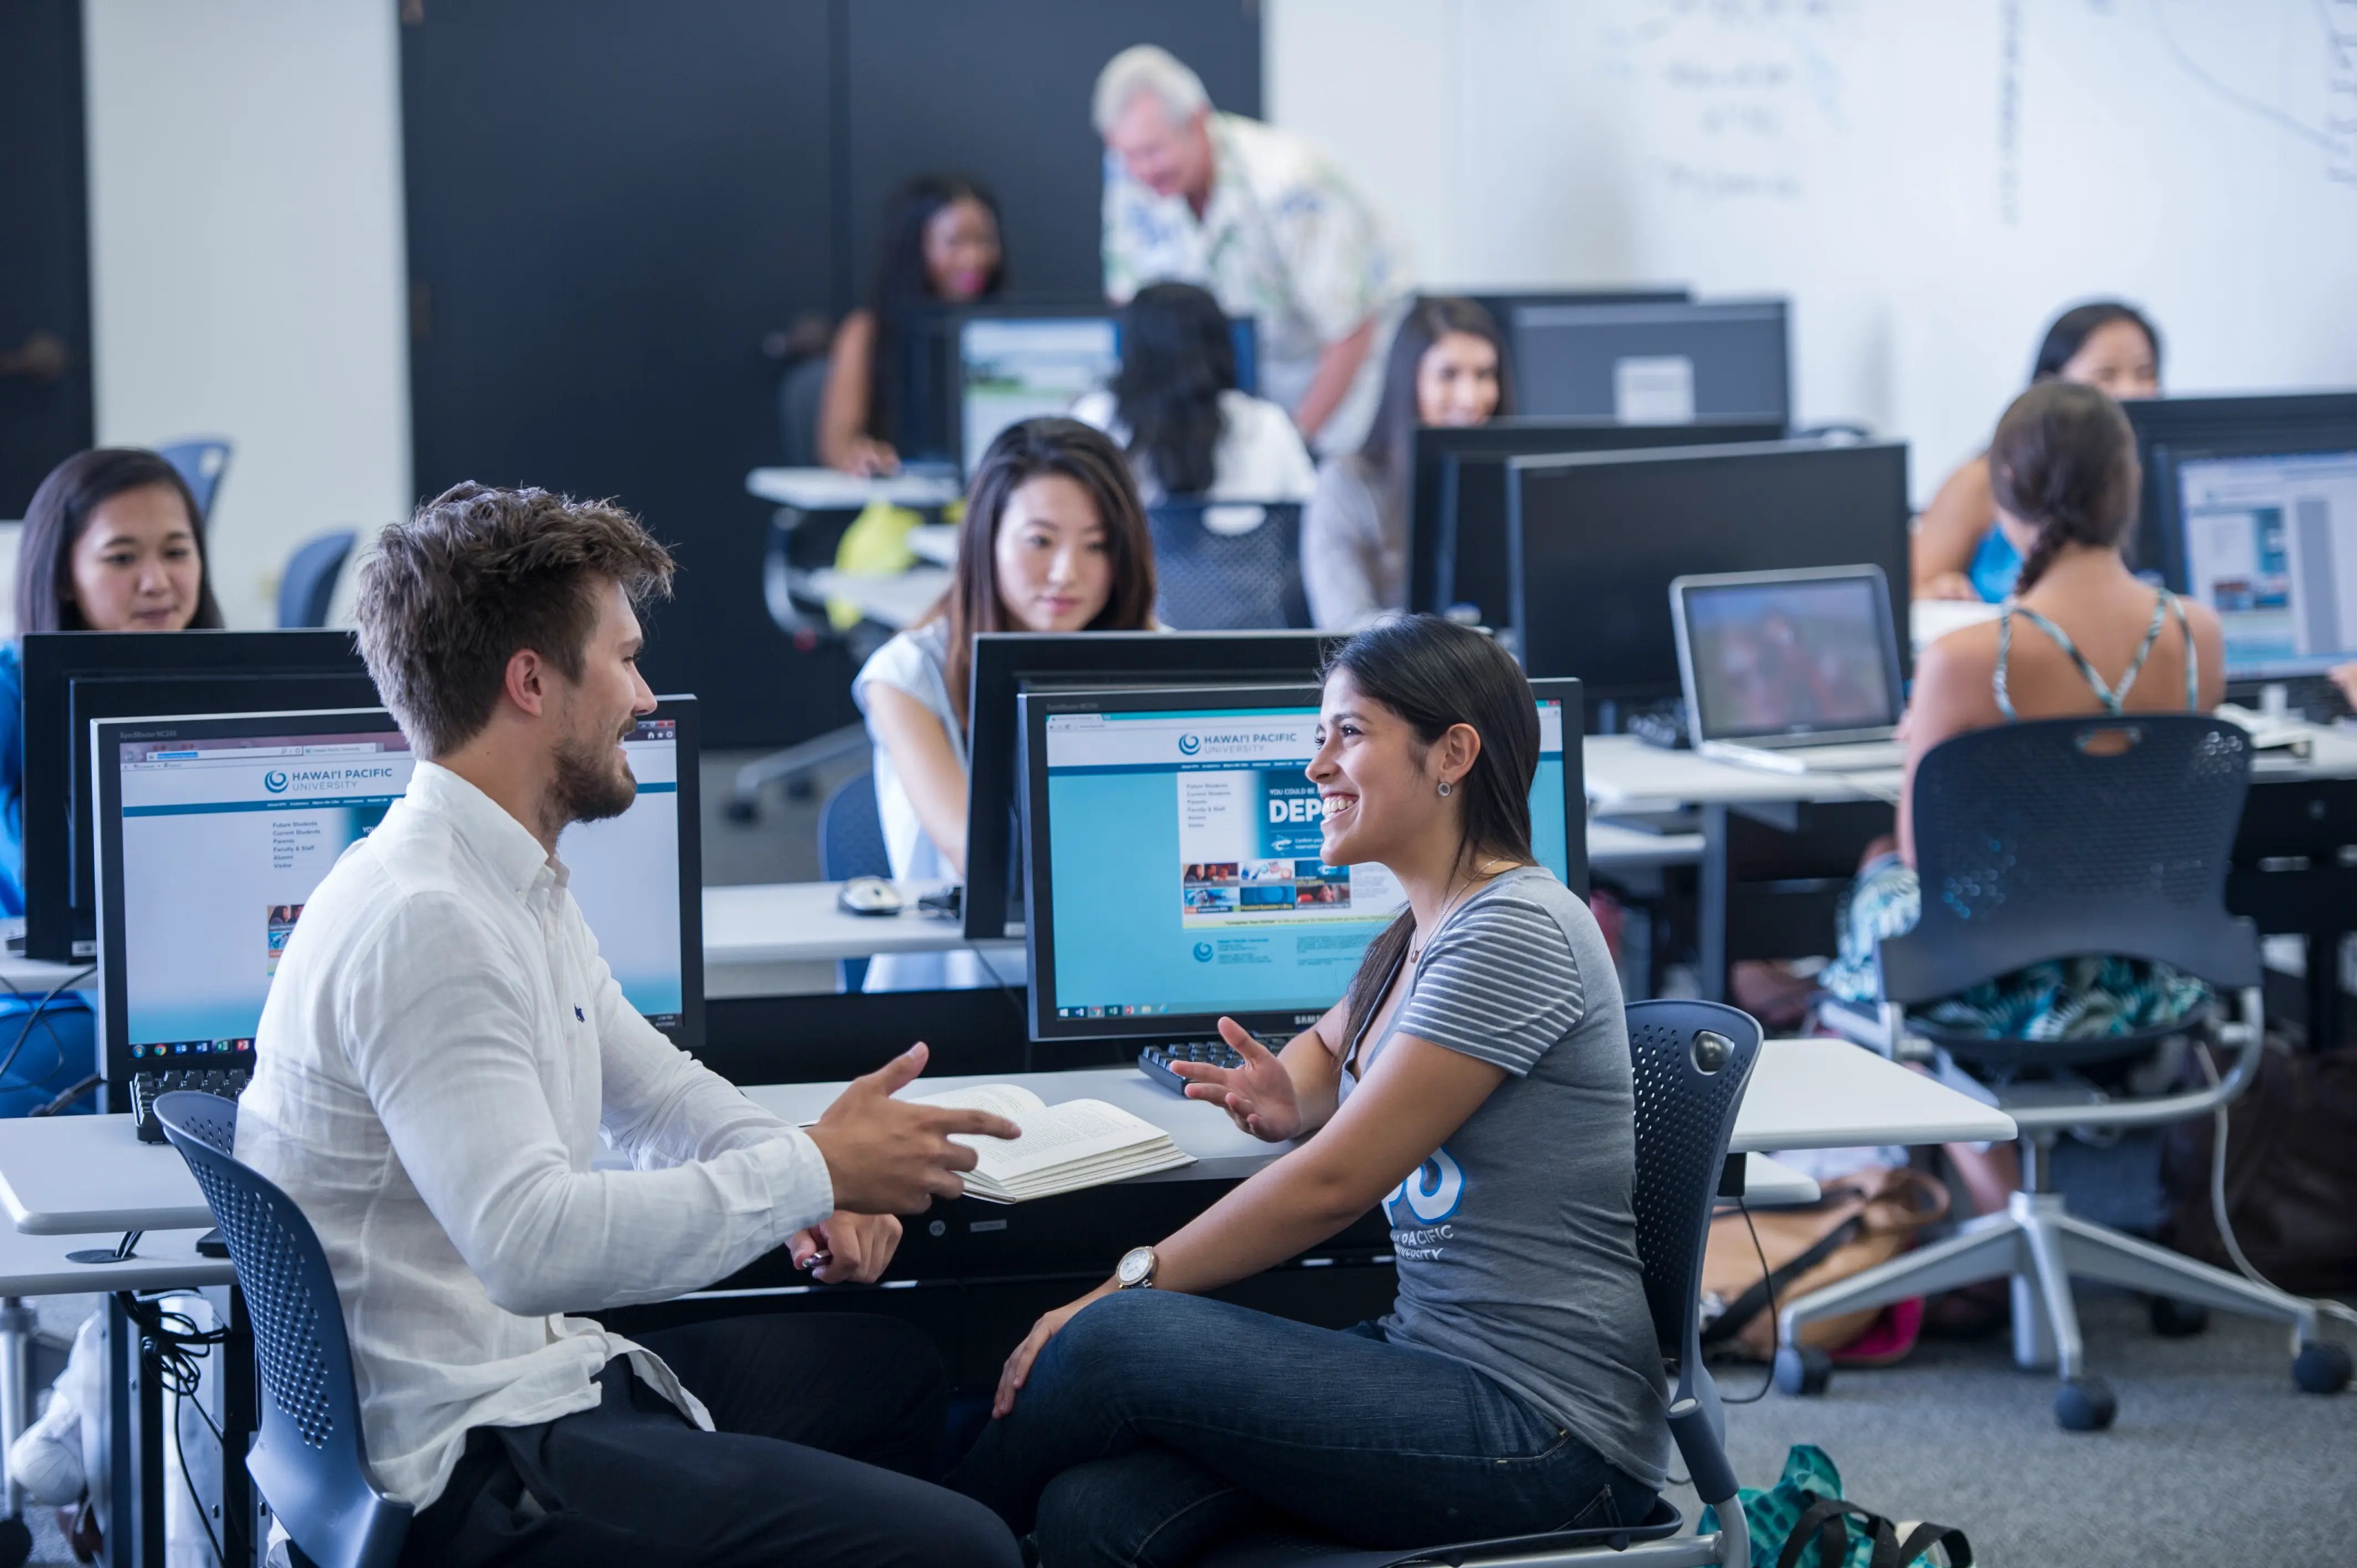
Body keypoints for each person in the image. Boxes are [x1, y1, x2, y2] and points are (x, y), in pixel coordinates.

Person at [236, 482, 1024, 1568]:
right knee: (965, 1551)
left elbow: (657, 1093)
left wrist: (811, 1171)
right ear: (531, 683)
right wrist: (806, 1173)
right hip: (471, 1462)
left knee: (888, 1376)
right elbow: (532, 1247)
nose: (647, 698)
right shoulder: (429, 921)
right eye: (624, 659)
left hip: (531, 1374)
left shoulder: (503, 877)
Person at [950, 615, 1665, 1566]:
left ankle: (911, 1538)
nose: (1317, 766)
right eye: (1319, 736)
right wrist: (1293, 1094)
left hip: (1545, 1426)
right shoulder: (1419, 932)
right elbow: (1327, 1056)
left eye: (1350, 734)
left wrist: (1106, 1292)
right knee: (1095, 1511)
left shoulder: (1515, 930)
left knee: (1111, 1343)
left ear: (1452, 753)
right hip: (1431, 1358)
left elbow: (1332, 1184)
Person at [1823, 381, 2224, 1220]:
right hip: (2149, 972)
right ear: (2128, 489)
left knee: (1876, 884)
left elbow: (1923, 859)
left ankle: (1986, 1213)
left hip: (1989, 977)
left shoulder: (1969, 660)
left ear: (2006, 496)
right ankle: (2025, 1219)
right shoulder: (2197, 636)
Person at [852, 419, 1157, 990]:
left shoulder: (1161, 657)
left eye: (1097, 546)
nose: (1067, 573)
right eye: (1039, 541)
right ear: (985, 536)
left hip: (1132, 978)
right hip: (961, 1000)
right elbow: (988, 864)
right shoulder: (906, 675)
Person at [1095, 45, 1411, 456]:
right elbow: (1129, 306)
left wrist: (1290, 449)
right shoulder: (1132, 177)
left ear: (1198, 121)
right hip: (1232, 402)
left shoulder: (1291, 184)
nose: (1142, 171)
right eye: (1128, 156)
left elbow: (1350, 330)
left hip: (1337, 386)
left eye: (1153, 152)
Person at [0, 447, 224, 915]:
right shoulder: (10, 689)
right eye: (122, 558)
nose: (156, 582)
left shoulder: (236, 689)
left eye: (177, 552)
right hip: (43, 985)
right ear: (64, 576)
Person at [1913, 301, 2162, 603]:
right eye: (2106, 375)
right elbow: (1910, 593)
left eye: (2145, 373)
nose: (2130, 392)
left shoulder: (2164, 477)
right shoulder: (1979, 482)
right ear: (2050, 384)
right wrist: (1940, 593)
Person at [1302, 297, 1509, 630]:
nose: (1470, 398)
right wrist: (1448, 633)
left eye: (1484, 375)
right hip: (1402, 677)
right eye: (1448, 375)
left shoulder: (1512, 476)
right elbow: (1343, 624)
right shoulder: (1346, 482)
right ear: (1409, 380)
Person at [1069, 281, 1315, 507]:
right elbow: (1311, 518)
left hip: (1136, 557)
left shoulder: (1095, 420)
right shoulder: (1265, 423)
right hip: (1242, 555)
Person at [820, 174, 1005, 474]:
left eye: (984, 240)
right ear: (916, 246)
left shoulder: (1007, 330)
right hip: (899, 499)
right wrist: (863, 456)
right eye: (954, 242)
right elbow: (837, 444)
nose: (974, 258)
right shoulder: (869, 331)